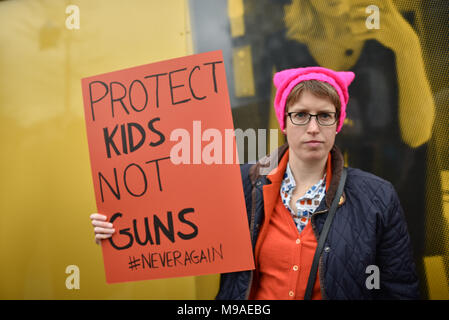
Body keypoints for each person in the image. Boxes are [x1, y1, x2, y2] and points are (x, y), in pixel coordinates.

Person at [90, 66, 420, 300]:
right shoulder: (239, 183)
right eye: (301, 114)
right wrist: (123, 228)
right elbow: (175, 225)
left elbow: (400, 287)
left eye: (325, 115)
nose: (313, 127)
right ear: (284, 122)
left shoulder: (377, 197)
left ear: (338, 123)